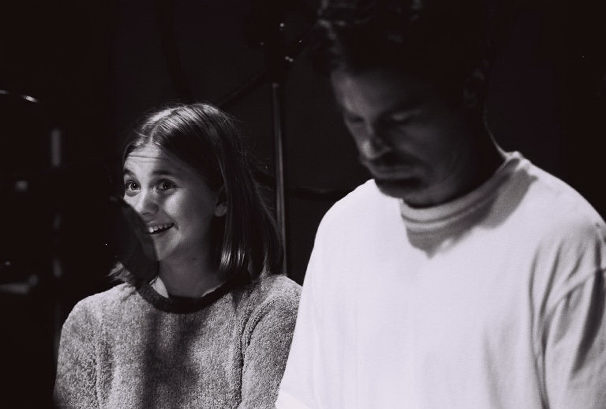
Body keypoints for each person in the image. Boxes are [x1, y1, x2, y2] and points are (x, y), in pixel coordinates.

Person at [277, 1, 606, 408]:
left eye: (400, 120)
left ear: (469, 88)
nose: (372, 148)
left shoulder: (565, 241)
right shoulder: (343, 229)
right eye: (356, 120)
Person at [54, 103, 301, 408]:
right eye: (132, 186)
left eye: (165, 185)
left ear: (221, 198)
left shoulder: (273, 308)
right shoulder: (93, 320)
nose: (141, 206)